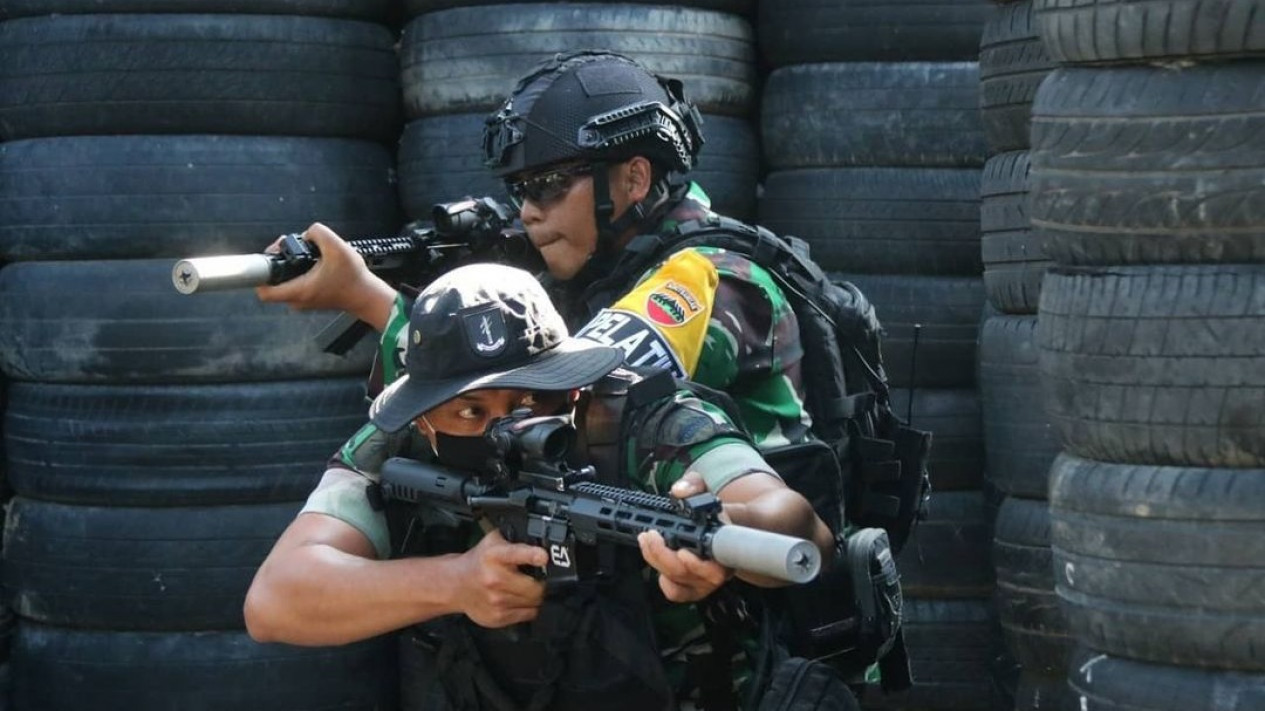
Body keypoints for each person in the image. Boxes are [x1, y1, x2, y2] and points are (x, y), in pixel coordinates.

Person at [244, 264, 835, 711]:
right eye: (470, 412)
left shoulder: (648, 421)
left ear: (572, 387)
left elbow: (796, 523)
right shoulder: (399, 443)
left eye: (531, 400)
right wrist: (454, 582)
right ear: (425, 419)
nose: (506, 428)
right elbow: (275, 600)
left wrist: (730, 533)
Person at [257, 49, 813, 452]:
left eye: (549, 185)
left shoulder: (713, 277)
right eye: (519, 190)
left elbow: (569, 406)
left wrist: (366, 298)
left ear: (635, 178)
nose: (528, 211)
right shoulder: (600, 269)